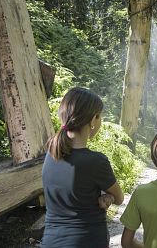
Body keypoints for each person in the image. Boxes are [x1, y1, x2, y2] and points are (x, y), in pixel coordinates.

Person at [41, 87, 124, 248]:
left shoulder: (51, 155)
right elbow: (120, 198)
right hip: (87, 241)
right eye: (100, 117)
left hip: (50, 241)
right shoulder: (96, 161)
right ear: (93, 120)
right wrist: (108, 196)